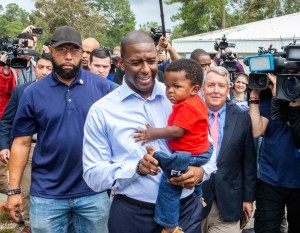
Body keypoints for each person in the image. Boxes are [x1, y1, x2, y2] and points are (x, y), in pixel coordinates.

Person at [82, 30, 217, 233]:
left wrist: (200, 173)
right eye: (136, 62)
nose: (146, 70)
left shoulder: (183, 96)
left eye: (151, 61)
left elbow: (208, 147)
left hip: (186, 213)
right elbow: (93, 176)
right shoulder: (102, 111)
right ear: (120, 63)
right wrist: (135, 168)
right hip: (133, 217)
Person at [6, 26, 115, 233]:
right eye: (61, 50)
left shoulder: (102, 88)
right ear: (50, 50)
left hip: (92, 191)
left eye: (74, 51)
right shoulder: (33, 93)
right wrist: (14, 190)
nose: (68, 56)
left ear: (82, 54)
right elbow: (21, 142)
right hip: (47, 195)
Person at [133, 58, 215, 233]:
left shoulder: (188, 106)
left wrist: (152, 133)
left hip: (192, 154)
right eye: (168, 85)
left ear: (194, 89)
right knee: (185, 170)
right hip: (201, 150)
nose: (169, 91)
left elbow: (177, 131)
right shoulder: (192, 101)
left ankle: (170, 227)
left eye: (176, 87)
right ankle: (199, 197)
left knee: (169, 183)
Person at [0, 53, 53, 233]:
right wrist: (4, 146)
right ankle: (29, 225)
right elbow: (7, 120)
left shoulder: (61, 91)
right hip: (27, 146)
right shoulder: (22, 90)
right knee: (26, 189)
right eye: (41, 67)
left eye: (49, 68)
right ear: (35, 67)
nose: (44, 72)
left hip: (53, 147)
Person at [201, 66, 257, 233]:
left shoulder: (242, 117)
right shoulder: (190, 114)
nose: (216, 91)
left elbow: (248, 162)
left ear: (228, 89)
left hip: (229, 204)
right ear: (202, 88)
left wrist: (248, 198)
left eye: (221, 86)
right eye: (211, 85)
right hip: (195, 203)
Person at [249, 74, 300, 233]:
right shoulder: (270, 96)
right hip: (270, 178)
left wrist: (286, 99)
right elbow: (256, 131)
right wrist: (254, 98)